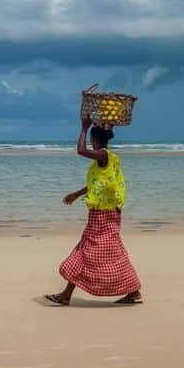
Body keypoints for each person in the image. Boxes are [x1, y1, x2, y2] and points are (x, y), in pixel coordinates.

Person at [44, 117, 143, 306]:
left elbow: (81, 150)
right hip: (109, 212)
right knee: (111, 251)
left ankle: (66, 295)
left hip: (102, 214)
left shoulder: (103, 155)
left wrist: (83, 127)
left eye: (90, 138)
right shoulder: (111, 158)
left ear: (95, 140)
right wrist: (76, 194)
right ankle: (133, 292)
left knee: (87, 250)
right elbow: (99, 185)